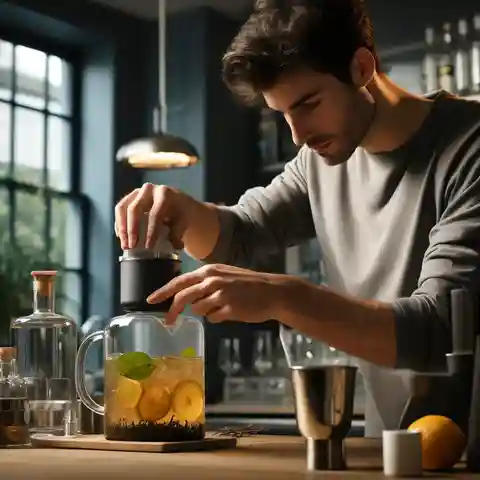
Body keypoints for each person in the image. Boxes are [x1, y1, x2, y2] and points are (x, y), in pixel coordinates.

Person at [114, 0, 480, 437]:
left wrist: (282, 298)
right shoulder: (318, 161)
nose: (297, 134)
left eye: (308, 104)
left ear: (362, 67)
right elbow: (242, 233)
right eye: (282, 113)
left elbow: (439, 330)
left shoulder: (468, 148)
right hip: (390, 447)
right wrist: (182, 210)